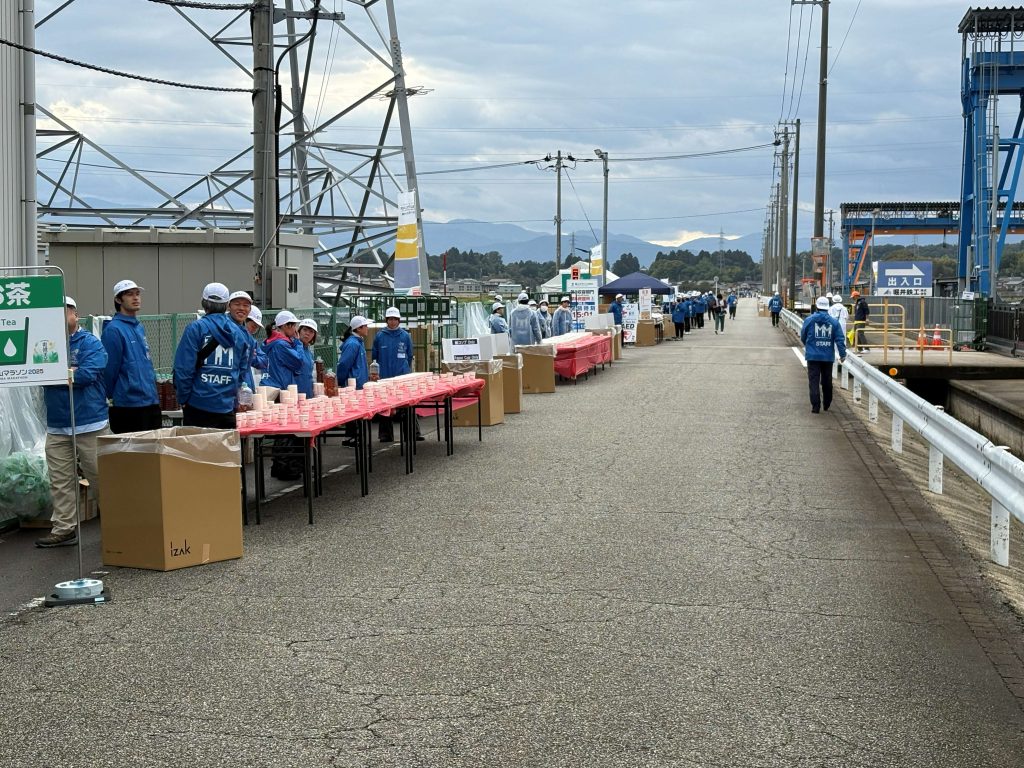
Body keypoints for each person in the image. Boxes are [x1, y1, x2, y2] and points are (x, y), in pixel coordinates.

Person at [36, 297, 109, 548]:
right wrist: (68, 374)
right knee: (60, 481)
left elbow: (88, 374)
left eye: (65, 310)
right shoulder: (43, 343)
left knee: (101, 476)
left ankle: (117, 525)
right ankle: (64, 528)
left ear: (76, 315)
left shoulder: (90, 342)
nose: (60, 315)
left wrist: (54, 374)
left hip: (90, 422)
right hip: (57, 424)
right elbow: (38, 374)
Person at [172, 282, 251, 429]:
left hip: (198, 405)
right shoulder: (239, 333)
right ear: (227, 305)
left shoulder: (195, 329)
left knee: (196, 444)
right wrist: (232, 399)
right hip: (226, 407)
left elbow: (183, 369)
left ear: (203, 303)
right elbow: (242, 370)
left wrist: (183, 398)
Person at [101, 279, 160, 433]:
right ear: (118, 299)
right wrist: (113, 396)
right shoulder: (113, 330)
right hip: (127, 405)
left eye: (137, 294)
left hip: (150, 401)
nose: (136, 298)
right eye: (129, 294)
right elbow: (109, 369)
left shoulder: (139, 326)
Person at [372, 307, 423, 443]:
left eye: (395, 319)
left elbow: (410, 355)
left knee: (408, 404)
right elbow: (375, 357)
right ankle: (385, 435)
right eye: (390, 319)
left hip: (402, 376)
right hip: (385, 376)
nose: (393, 321)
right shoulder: (380, 336)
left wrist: (405, 370)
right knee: (385, 406)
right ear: (386, 320)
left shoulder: (405, 336)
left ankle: (413, 433)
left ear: (399, 320)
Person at [800, 296, 847, 414]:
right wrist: (842, 354)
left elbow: (803, 336)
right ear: (828, 307)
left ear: (816, 306)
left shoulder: (809, 320)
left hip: (813, 356)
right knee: (827, 381)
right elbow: (840, 340)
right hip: (827, 357)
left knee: (813, 381)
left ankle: (815, 406)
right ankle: (827, 403)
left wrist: (809, 346)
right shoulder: (834, 322)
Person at [337, 315, 371, 446]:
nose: (367, 328)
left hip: (357, 383)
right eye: (365, 326)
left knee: (355, 411)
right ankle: (351, 437)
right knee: (353, 411)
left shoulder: (357, 342)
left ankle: (352, 437)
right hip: (353, 384)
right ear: (358, 328)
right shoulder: (353, 344)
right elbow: (344, 364)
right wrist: (341, 382)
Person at [297, 318, 319, 397]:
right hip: (296, 394)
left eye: (311, 331)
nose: (307, 333)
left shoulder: (310, 353)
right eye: (305, 330)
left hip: (309, 393)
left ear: (314, 335)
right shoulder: (292, 349)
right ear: (299, 331)